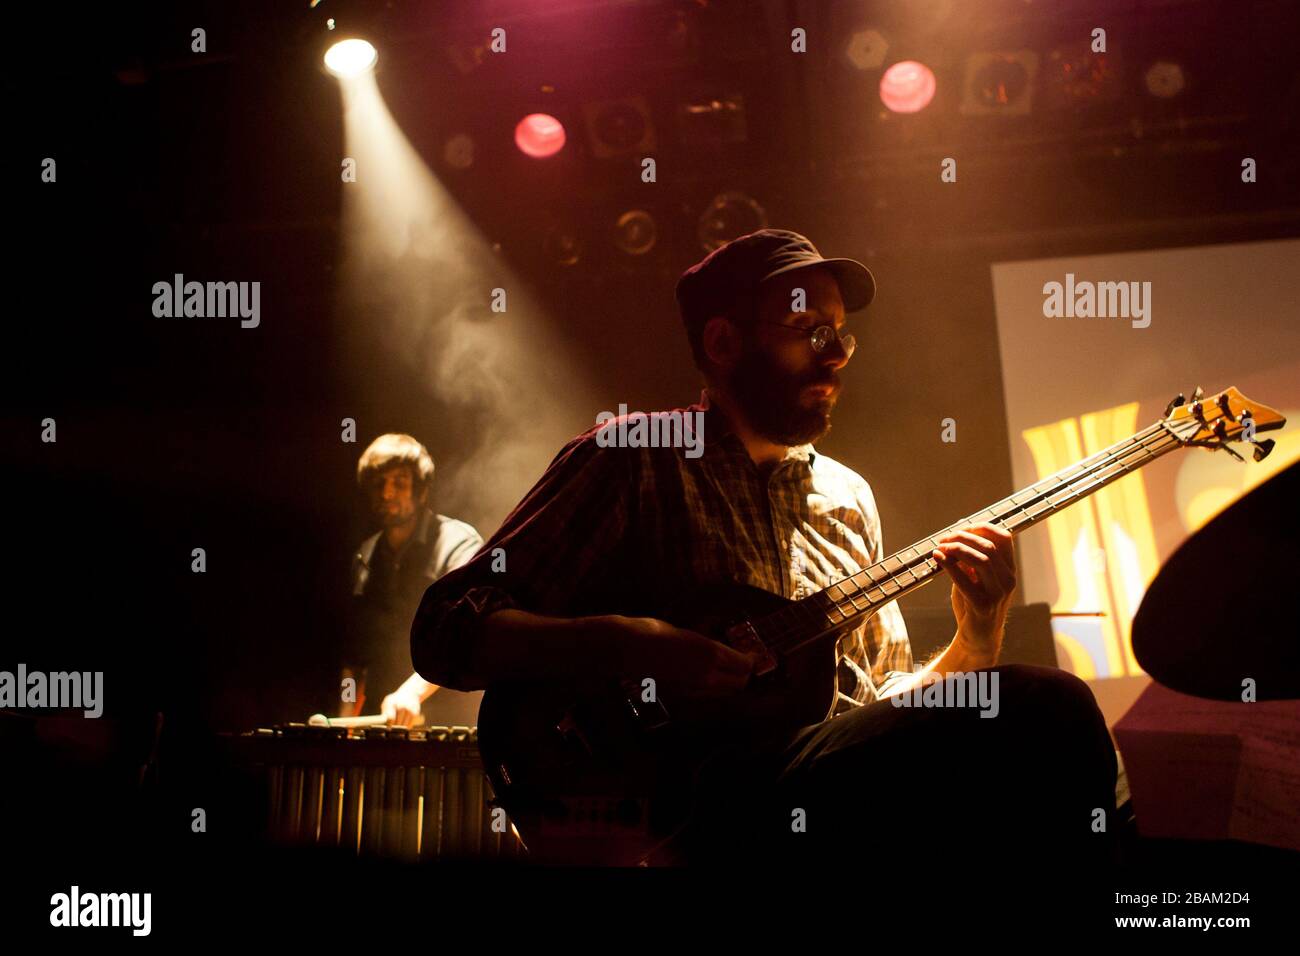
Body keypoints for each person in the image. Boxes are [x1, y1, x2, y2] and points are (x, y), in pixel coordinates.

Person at [409, 229, 1117, 870]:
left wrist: (978, 632)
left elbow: (880, 709)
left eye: (840, 333)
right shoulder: (633, 457)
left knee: (1013, 737)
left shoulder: (848, 498)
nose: (836, 354)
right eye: (807, 328)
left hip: (815, 798)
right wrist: (623, 643)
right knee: (1047, 705)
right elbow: (447, 628)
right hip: (679, 805)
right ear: (722, 344)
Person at [348, 433, 483, 725]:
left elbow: (463, 633)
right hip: (380, 722)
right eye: (378, 483)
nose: (386, 493)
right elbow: (355, 654)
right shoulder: (365, 555)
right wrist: (343, 725)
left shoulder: (458, 544)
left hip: (443, 721)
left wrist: (411, 693)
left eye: (399, 482)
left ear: (421, 491)